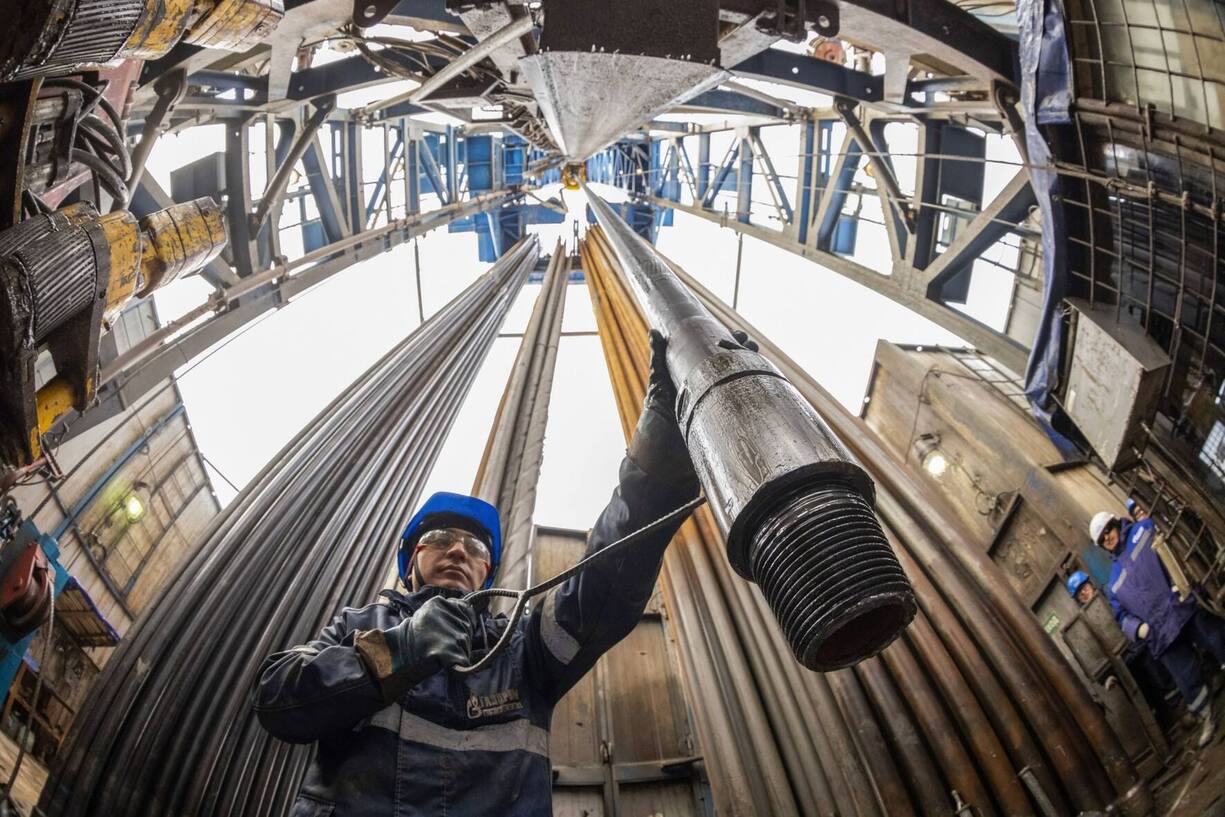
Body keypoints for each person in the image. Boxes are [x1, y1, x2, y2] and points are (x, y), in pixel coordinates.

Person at [255, 331, 700, 816]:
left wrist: (656, 472)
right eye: (441, 539)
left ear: (486, 573)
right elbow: (278, 698)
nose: (457, 551)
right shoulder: (359, 626)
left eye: (473, 548)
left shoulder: (522, 651)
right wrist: (396, 652)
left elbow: (603, 586)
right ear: (411, 561)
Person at [1091, 509, 1225, 748]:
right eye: (1102, 540)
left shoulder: (1143, 530)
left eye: (1108, 531)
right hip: (1159, 632)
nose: (1107, 539)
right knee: (1186, 678)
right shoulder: (1113, 582)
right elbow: (1121, 616)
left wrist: (1179, 580)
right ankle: (1207, 716)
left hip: (1182, 606)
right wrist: (1138, 629)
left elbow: (1171, 549)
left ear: (1115, 523)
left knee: (1216, 637)